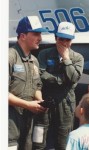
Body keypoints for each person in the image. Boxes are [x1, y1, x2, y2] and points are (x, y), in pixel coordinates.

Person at [33, 21, 84, 150]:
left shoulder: (77, 58)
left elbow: (73, 78)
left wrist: (66, 59)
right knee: (39, 135)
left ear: (72, 40)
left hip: (65, 102)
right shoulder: (45, 54)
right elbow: (41, 75)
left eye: (68, 39)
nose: (64, 43)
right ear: (56, 38)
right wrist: (61, 80)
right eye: (61, 39)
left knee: (63, 140)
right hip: (46, 99)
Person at [9, 16, 48, 150]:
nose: (40, 38)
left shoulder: (34, 61)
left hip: (28, 123)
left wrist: (40, 102)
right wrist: (27, 105)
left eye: (40, 34)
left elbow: (36, 86)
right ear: (23, 36)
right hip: (9, 123)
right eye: (36, 34)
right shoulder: (9, 57)